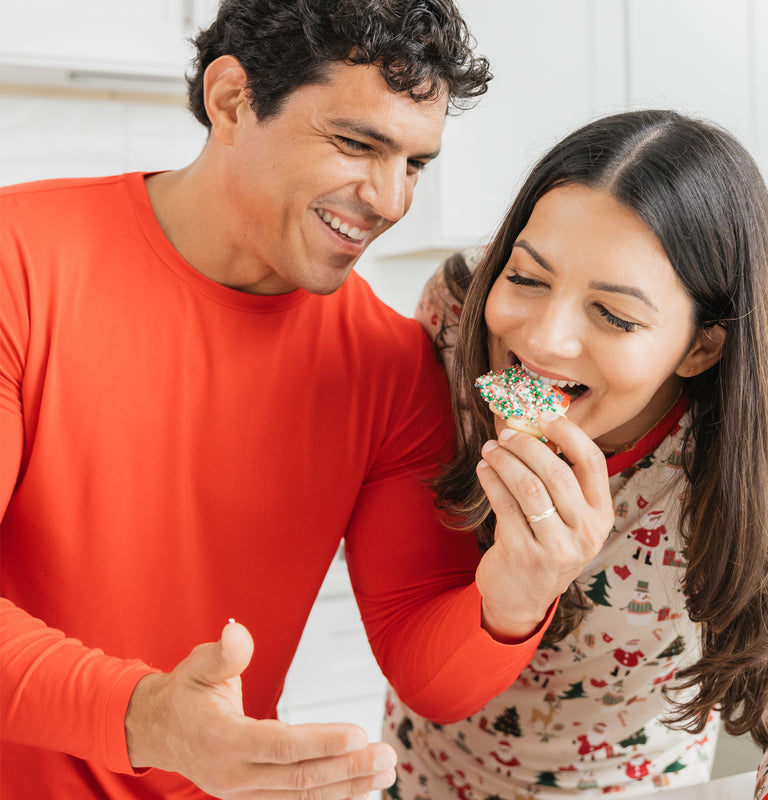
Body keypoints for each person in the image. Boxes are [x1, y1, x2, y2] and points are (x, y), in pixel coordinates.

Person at [0, 2, 560, 798]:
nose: (391, 199)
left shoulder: (389, 363)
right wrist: (149, 717)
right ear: (232, 100)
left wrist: (518, 591)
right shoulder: (18, 262)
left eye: (415, 163)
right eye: (356, 143)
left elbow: (429, 672)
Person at [383, 110, 768, 798]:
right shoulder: (453, 326)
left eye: (613, 315)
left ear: (702, 347)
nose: (544, 341)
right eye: (526, 278)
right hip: (423, 773)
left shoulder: (751, 449)